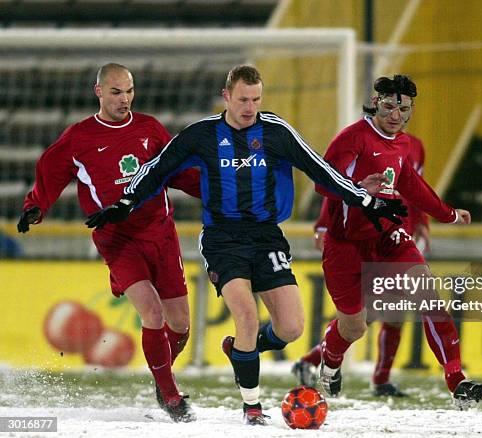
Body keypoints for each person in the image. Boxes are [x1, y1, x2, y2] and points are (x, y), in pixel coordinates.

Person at [83, 65, 408, 425]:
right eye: (243, 100)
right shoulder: (202, 134)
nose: (250, 107)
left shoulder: (276, 131)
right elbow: (157, 168)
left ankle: (240, 352)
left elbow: (321, 170)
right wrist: (126, 201)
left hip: (267, 235)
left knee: (291, 329)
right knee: (247, 317)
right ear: (227, 97)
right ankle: (252, 406)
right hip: (223, 238)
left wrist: (365, 200)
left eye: (256, 99)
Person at [292, 75, 482, 409]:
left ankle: (457, 380)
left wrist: (448, 214)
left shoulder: (405, 144)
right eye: (388, 106)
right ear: (376, 103)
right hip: (346, 244)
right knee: (354, 326)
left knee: (427, 295)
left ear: (410, 111)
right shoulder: (352, 138)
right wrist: (356, 190)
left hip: (389, 236)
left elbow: (413, 186)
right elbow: (323, 184)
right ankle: (329, 360)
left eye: (403, 108)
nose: (395, 115)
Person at [17, 63, 200, 422]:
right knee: (152, 312)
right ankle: (170, 396)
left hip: (161, 234)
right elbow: (50, 172)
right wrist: (34, 207)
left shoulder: (149, 128)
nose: (125, 99)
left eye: (129, 91)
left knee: (180, 325)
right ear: (98, 91)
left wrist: (216, 191)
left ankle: (161, 375)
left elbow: (177, 172)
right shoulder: (78, 138)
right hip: (117, 239)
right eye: (116, 92)